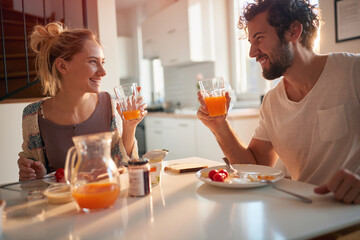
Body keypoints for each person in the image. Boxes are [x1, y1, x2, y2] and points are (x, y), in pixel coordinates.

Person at [197, 0, 360, 204]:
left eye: (259, 38)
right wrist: (220, 126)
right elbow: (254, 167)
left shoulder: (353, 71)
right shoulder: (272, 102)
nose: (252, 53)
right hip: (302, 214)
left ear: (293, 32)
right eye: (250, 43)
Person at [18, 22, 147, 180]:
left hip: (108, 198)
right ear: (62, 66)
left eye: (102, 62)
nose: (103, 72)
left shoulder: (112, 105)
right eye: (93, 61)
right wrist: (36, 175)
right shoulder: (33, 116)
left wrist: (129, 127)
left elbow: (123, 170)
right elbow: (33, 183)